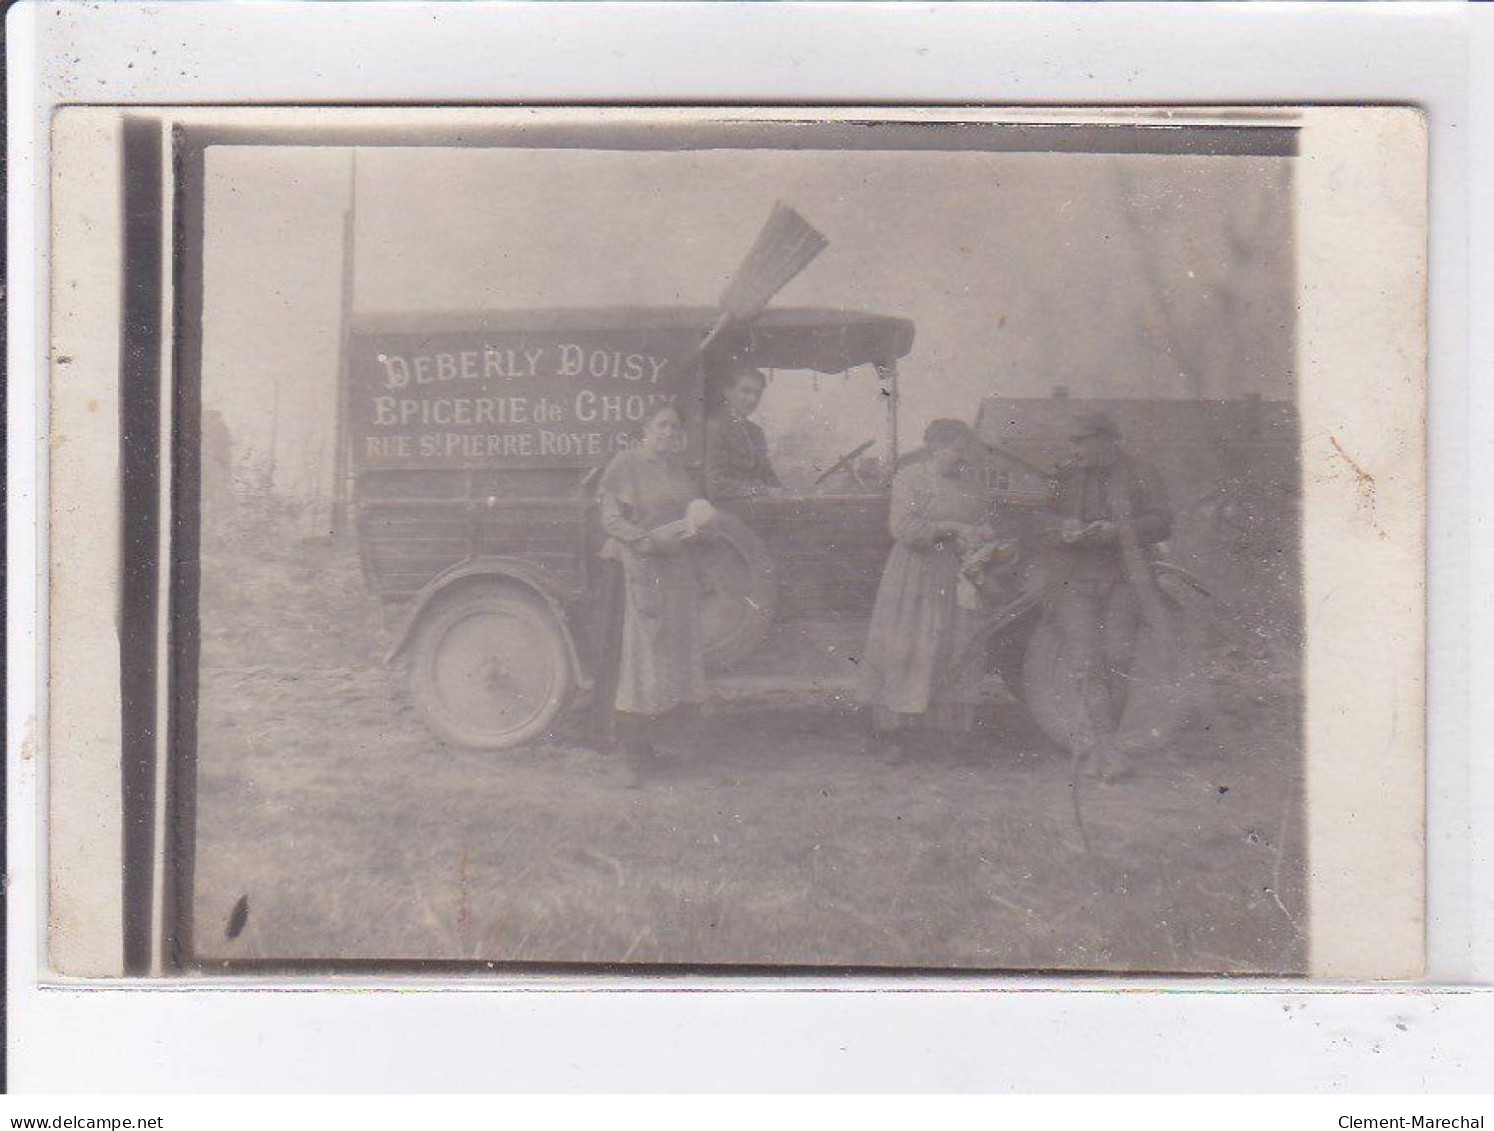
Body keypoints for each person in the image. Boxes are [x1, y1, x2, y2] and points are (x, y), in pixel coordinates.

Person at [1036, 408, 1174, 780]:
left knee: (1118, 660)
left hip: (1125, 578)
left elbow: (1163, 521)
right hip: (1073, 580)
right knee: (1086, 664)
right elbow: (1040, 518)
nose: (1076, 448)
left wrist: (1118, 530)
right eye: (1074, 442)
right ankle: (1107, 749)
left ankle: (1103, 745)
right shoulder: (1064, 474)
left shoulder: (1142, 472)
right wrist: (1062, 528)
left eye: (1082, 441)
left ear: (1106, 439)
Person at [858, 419, 997, 757]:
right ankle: (896, 736)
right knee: (909, 648)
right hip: (915, 575)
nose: (962, 459)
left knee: (954, 648)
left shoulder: (972, 484)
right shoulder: (909, 479)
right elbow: (902, 528)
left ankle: (948, 738)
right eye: (957, 452)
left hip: (957, 575)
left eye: (966, 453)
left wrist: (983, 534)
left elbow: (982, 521)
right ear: (936, 447)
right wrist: (951, 527)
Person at [593, 403, 712, 781]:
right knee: (638, 660)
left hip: (674, 568)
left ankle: (662, 745)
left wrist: (696, 526)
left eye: (675, 426)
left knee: (671, 656)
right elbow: (610, 518)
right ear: (644, 429)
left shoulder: (678, 471)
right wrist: (644, 540)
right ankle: (632, 756)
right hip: (637, 568)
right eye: (661, 425)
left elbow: (690, 513)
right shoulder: (626, 463)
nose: (668, 432)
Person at [704, 363, 783, 500]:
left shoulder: (755, 432)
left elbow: (767, 475)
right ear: (727, 392)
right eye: (746, 391)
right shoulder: (714, 427)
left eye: (757, 393)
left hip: (755, 508)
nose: (752, 399)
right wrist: (761, 489)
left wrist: (781, 489)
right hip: (726, 509)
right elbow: (715, 484)